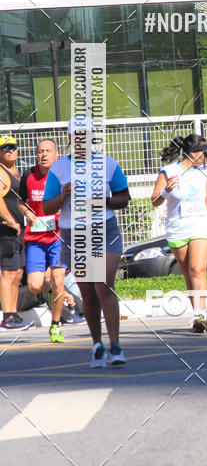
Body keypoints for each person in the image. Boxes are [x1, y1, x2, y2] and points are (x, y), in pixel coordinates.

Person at [42, 119, 130, 367]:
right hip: (75, 233)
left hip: (105, 229)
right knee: (89, 293)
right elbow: (46, 207)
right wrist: (63, 195)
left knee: (104, 285)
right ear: (70, 138)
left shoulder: (108, 163)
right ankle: (97, 345)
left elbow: (124, 198)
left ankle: (116, 346)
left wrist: (106, 201)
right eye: (76, 135)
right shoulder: (59, 168)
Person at [151, 134, 207, 334]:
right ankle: (196, 311)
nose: (206, 157)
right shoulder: (169, 172)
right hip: (177, 228)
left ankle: (201, 315)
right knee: (189, 273)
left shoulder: (203, 173)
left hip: (201, 225)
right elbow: (154, 200)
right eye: (204, 153)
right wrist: (166, 191)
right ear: (194, 154)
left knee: (198, 268)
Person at [18, 138, 68, 343]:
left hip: (58, 235)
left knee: (59, 278)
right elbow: (21, 202)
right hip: (36, 237)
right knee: (34, 286)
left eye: (48, 151)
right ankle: (58, 289)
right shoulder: (29, 175)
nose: (44, 155)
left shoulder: (64, 175)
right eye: (40, 151)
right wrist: (27, 213)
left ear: (56, 154)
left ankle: (55, 325)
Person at [0, 135, 32, 330]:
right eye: (5, 148)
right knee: (9, 273)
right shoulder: (2, 173)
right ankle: (8, 316)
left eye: (13, 147)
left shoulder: (17, 172)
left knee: (18, 272)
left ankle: (14, 314)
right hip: (7, 229)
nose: (10, 150)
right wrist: (11, 221)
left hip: (19, 229)